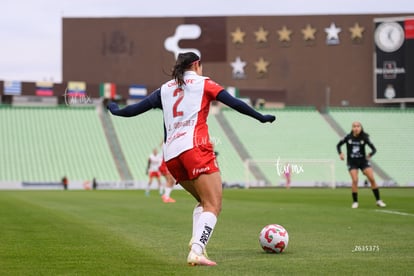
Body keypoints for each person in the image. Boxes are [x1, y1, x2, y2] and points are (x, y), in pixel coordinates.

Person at [107, 52, 275, 266]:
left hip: (172, 156)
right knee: (214, 204)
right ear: (196, 65)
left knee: (203, 202)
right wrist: (260, 117)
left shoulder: (165, 89)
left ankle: (197, 243)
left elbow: (132, 110)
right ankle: (196, 250)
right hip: (195, 148)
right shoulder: (203, 83)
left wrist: (115, 110)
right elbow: (234, 103)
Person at [336, 121, 386, 209]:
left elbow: (374, 149)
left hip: (363, 161)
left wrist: (370, 154)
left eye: (358, 126)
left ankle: (378, 200)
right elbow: (338, 145)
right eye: (354, 126)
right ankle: (355, 202)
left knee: (372, 179)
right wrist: (340, 153)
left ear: (361, 127)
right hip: (352, 162)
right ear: (352, 128)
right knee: (355, 180)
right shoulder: (348, 137)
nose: (356, 128)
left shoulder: (365, 137)